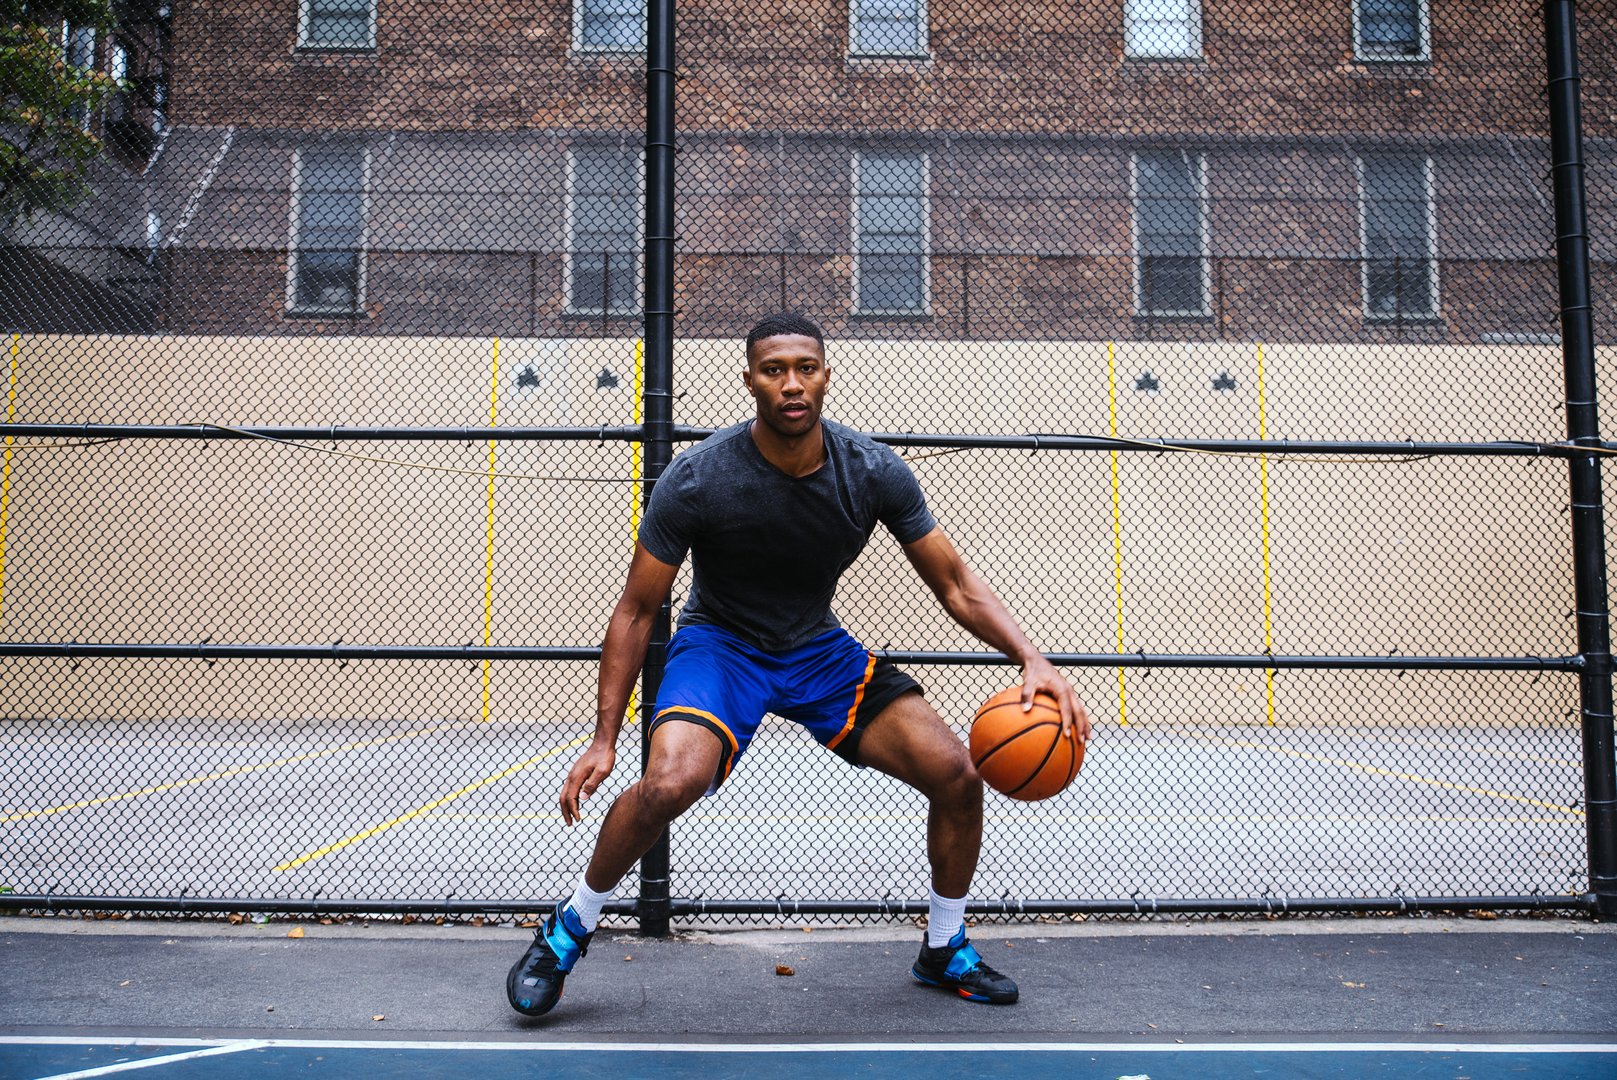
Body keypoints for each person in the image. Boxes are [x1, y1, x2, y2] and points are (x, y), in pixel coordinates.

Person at [507, 311, 1091, 1016]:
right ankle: (567, 931)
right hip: (721, 645)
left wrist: (1033, 658)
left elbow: (955, 582)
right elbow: (636, 610)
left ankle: (943, 947)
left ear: (825, 376)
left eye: (804, 368)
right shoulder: (697, 478)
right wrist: (604, 736)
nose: (791, 384)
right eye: (773, 369)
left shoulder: (871, 471)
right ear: (749, 380)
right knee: (668, 783)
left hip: (816, 650)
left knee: (958, 776)